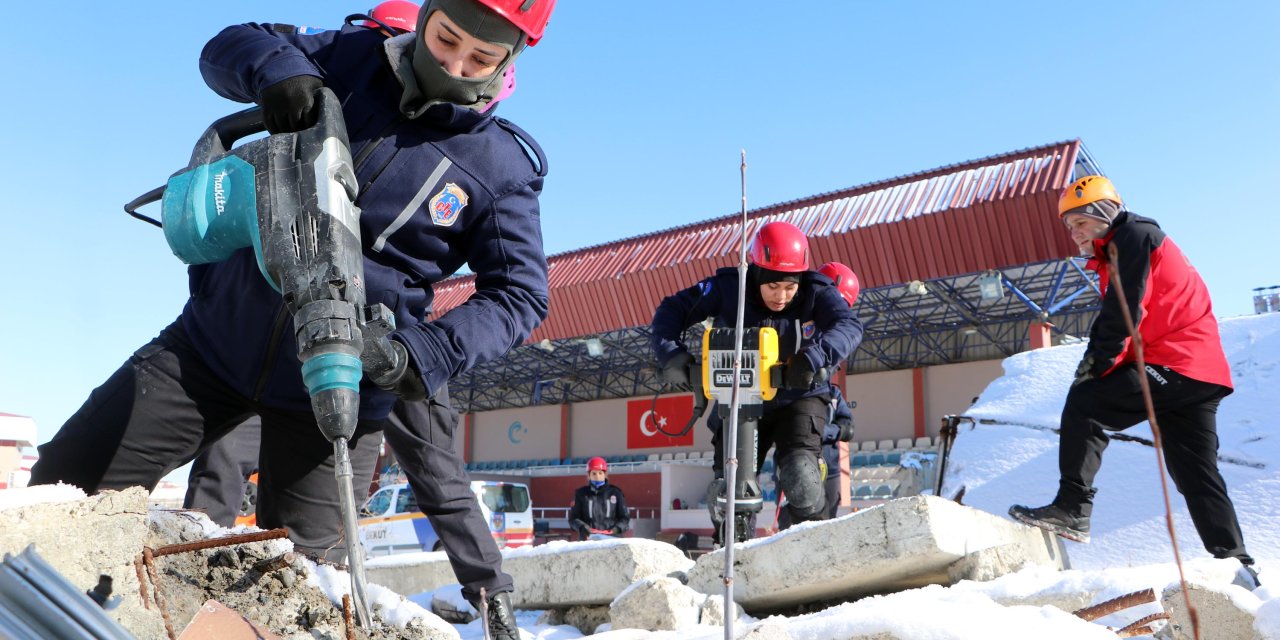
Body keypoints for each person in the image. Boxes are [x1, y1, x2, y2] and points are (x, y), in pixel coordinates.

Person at [32, 1, 556, 635]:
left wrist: (419, 355)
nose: (454, 64)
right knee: (59, 492)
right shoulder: (349, 59)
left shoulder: (499, 168)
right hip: (210, 350)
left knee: (299, 596)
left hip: (337, 393)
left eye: (481, 57)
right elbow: (230, 42)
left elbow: (519, 294)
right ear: (424, 17)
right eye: (446, 38)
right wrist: (277, 71)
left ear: (512, 59)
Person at [1009, 175, 1257, 587]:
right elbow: (1140, 316)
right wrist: (1108, 360)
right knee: (1196, 475)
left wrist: (1095, 363)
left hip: (1176, 362)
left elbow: (1124, 312)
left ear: (1105, 214)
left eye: (1080, 223)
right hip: (1197, 372)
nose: (1074, 234)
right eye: (1069, 226)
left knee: (1085, 403)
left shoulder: (1135, 236)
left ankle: (1072, 507)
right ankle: (1237, 564)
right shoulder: (1126, 246)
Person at [651, 221, 863, 540]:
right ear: (757, 273)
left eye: (790, 288)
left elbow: (848, 324)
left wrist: (814, 358)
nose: (781, 296)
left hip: (799, 397)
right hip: (741, 396)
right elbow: (673, 308)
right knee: (729, 489)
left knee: (801, 477)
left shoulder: (816, 290)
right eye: (773, 286)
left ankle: (815, 546)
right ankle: (731, 559)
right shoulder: (728, 288)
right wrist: (670, 354)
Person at [568, 457, 631, 540]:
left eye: (600, 473)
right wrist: (582, 527)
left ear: (605, 474)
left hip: (611, 540)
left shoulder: (615, 493)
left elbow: (624, 518)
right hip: (588, 540)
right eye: (594, 473)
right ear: (589, 475)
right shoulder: (581, 494)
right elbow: (573, 519)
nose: (597, 476)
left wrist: (617, 529)